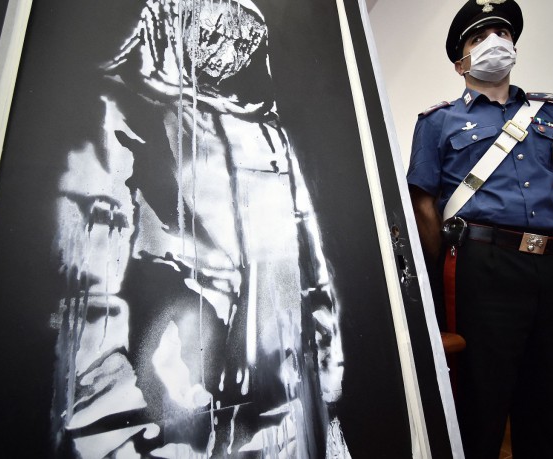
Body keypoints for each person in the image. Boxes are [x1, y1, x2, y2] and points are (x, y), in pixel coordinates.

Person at [51, 0, 348, 457]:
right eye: (212, 22)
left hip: (278, 415)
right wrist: (121, 439)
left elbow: (310, 267)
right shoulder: (119, 115)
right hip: (171, 425)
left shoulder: (269, 136)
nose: (228, 42)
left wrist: (326, 385)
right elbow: (92, 300)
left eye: (243, 31)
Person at [406, 1, 553, 457]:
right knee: (479, 396)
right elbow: (424, 205)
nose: (495, 42)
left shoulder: (551, 116)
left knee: (552, 391)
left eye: (503, 33)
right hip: (481, 266)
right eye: (479, 37)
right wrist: (447, 263)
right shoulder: (437, 122)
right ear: (461, 62)